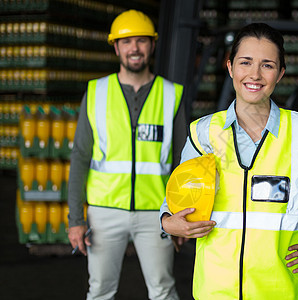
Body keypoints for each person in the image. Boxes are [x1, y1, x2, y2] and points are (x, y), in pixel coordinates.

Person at [161, 23, 298, 299]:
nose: (255, 75)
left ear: (280, 73)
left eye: (267, 65)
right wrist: (166, 221)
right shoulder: (203, 132)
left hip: (277, 292)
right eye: (245, 62)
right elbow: (177, 196)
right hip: (214, 290)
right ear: (230, 67)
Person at [67, 9, 185, 300]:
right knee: (100, 291)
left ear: (152, 45)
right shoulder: (96, 92)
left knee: (163, 289)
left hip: (157, 213)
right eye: (127, 41)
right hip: (104, 212)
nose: (135, 48)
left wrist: (182, 214)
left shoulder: (172, 94)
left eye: (142, 41)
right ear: (116, 47)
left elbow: (185, 164)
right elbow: (81, 156)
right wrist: (75, 219)